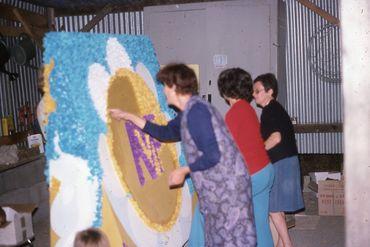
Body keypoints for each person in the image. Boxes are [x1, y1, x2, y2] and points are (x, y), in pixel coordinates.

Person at [110, 63, 256, 246]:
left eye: (165, 85)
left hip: (228, 192)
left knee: (232, 241)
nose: (163, 91)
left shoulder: (197, 112)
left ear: (174, 87)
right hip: (217, 192)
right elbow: (164, 133)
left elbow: (213, 154)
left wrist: (183, 170)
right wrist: (128, 116)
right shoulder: (188, 113)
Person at [217, 68, 275, 247]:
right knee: (260, 223)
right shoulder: (249, 109)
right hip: (265, 170)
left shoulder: (234, 113)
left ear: (226, 91)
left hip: (251, 175)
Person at [253, 73, 304, 247]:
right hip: (287, 162)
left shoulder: (270, 111)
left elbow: (275, 138)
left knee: (274, 210)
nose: (254, 95)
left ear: (270, 91)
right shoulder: (274, 109)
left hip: (282, 163)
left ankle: (288, 245)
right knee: (277, 210)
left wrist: (257, 154)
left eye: (258, 91)